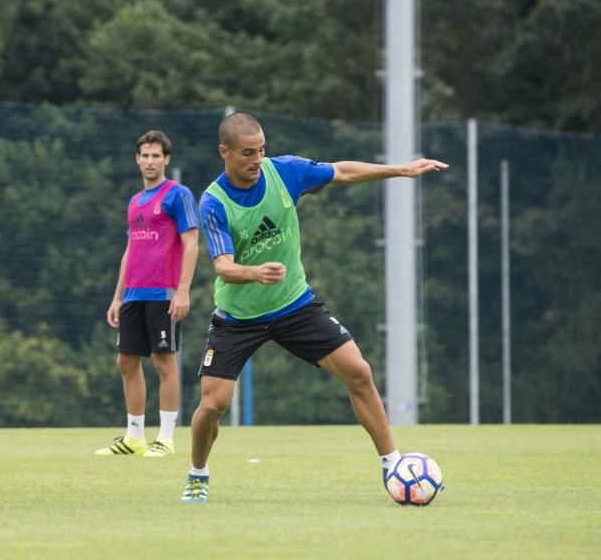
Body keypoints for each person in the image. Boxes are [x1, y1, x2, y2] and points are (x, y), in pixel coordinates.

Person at [180, 111, 448, 503]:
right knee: (213, 405)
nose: (257, 160)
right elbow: (223, 266)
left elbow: (342, 171)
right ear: (225, 152)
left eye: (261, 150)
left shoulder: (284, 172)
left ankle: (392, 464)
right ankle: (197, 474)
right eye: (248, 153)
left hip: (294, 305)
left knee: (359, 372)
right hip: (238, 317)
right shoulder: (214, 201)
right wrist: (255, 272)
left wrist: (401, 170)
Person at [97, 130, 199, 458]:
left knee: (163, 360)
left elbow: (192, 243)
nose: (151, 161)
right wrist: (117, 297)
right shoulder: (134, 201)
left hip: (164, 293)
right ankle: (135, 437)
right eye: (146, 155)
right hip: (133, 294)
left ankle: (166, 439)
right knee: (126, 361)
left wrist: (182, 291)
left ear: (166, 159)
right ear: (137, 159)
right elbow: (130, 249)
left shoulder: (178, 194)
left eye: (157, 155)